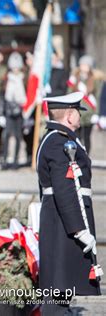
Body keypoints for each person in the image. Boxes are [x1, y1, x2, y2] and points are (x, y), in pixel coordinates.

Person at [37, 92, 101, 315]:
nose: (79, 117)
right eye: (77, 112)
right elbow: (65, 189)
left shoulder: (58, 138)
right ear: (71, 115)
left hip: (61, 215)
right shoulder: (59, 142)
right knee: (59, 278)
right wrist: (79, 229)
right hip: (62, 220)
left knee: (62, 277)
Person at [67, 55, 102, 153]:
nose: (83, 67)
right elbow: (69, 94)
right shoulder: (75, 78)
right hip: (76, 111)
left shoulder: (94, 80)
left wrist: (96, 114)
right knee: (76, 137)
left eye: (86, 65)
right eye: (82, 64)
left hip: (89, 113)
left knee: (86, 137)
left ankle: (86, 156)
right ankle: (77, 156)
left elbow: (97, 97)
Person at [0, 52, 26, 170]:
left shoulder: (24, 78)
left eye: (17, 66)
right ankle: (4, 159)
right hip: (8, 111)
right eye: (13, 66)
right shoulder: (6, 79)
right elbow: (2, 97)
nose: (15, 69)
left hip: (20, 111)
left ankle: (15, 160)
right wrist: (1, 113)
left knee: (18, 136)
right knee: (6, 135)